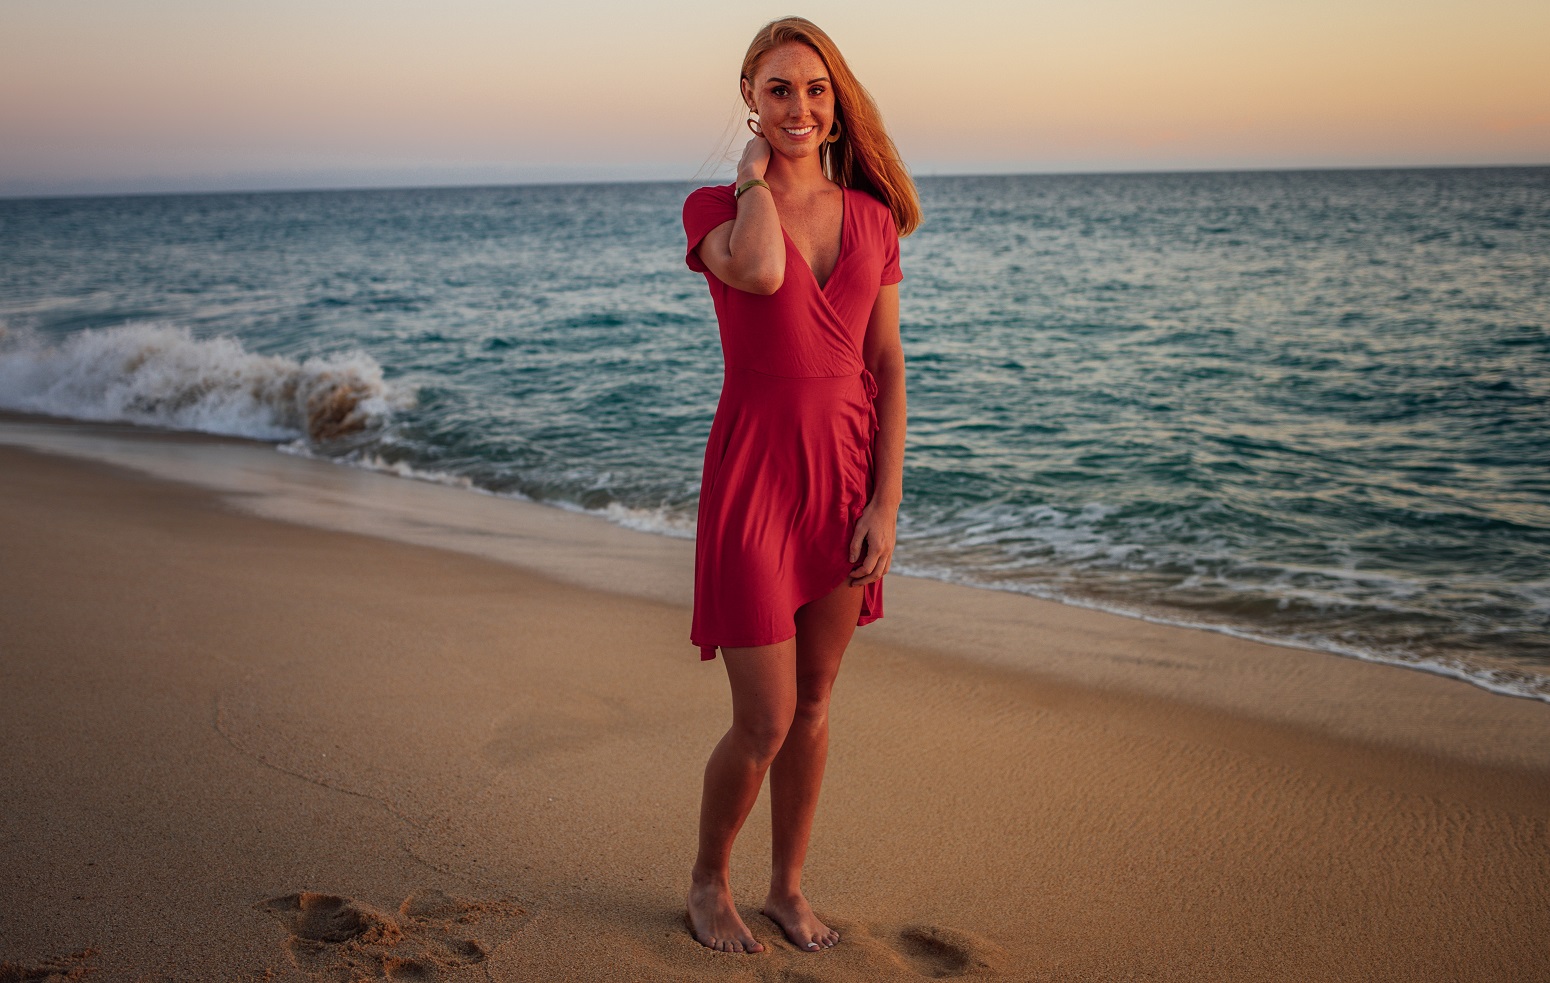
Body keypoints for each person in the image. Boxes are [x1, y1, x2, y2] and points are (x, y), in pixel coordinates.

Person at [680, 15, 921, 955]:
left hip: (845, 483)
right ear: (751, 96)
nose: (801, 106)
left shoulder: (870, 219)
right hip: (752, 483)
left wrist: (886, 500)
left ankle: (785, 887)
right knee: (765, 715)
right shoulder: (713, 209)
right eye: (780, 89)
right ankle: (708, 883)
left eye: (816, 90)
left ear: (836, 100)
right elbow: (766, 265)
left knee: (816, 704)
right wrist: (750, 178)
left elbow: (889, 364)